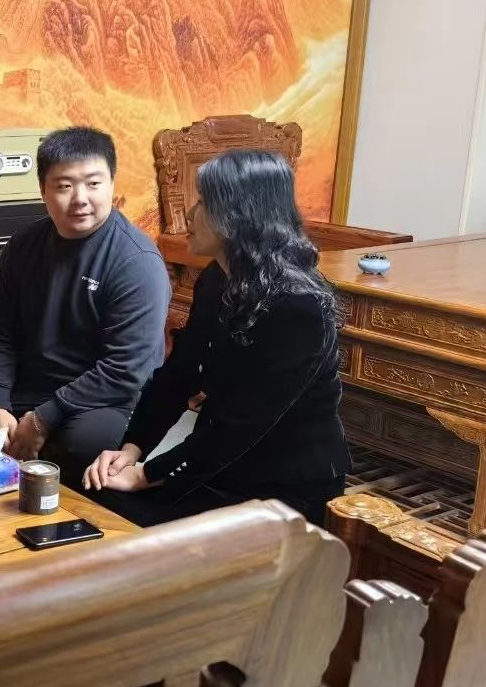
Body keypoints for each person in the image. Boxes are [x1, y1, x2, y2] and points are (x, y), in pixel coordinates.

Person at [83, 149, 350, 526]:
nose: (190, 215)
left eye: (203, 203)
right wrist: (131, 449)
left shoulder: (298, 305)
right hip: (221, 464)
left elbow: (244, 425)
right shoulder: (217, 277)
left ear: (237, 214)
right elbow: (178, 375)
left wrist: (147, 474)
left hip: (283, 483)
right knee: (98, 498)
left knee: (131, 525)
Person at [0, 127, 170, 477]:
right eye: (64, 186)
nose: (80, 198)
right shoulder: (24, 244)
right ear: (42, 190)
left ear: (112, 184)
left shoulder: (136, 261)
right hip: (26, 376)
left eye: (93, 184)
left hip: (96, 396)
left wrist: (43, 418)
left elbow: (124, 370)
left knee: (82, 448)